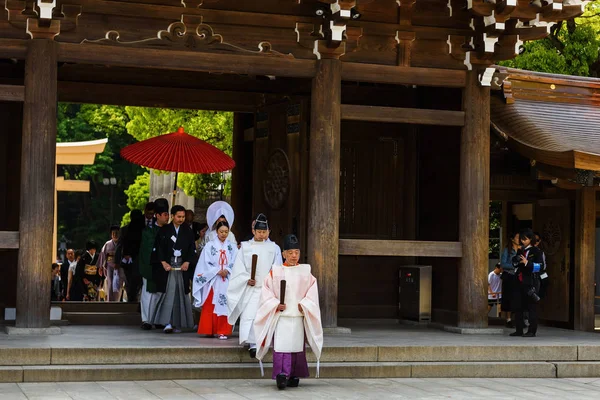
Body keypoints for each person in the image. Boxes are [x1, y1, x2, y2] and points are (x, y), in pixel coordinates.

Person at [254, 234, 323, 390]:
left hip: (298, 315)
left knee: (296, 346)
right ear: (284, 253)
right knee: (282, 345)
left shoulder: (306, 271)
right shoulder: (275, 271)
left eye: (296, 252)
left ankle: (294, 374)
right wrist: (275, 304)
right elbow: (266, 292)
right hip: (282, 316)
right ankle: (281, 375)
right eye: (290, 252)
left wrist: (305, 304)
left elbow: (312, 291)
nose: (293, 256)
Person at [227, 213, 283, 357]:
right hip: (251, 287)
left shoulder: (274, 248)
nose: (261, 235)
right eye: (259, 232)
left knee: (263, 315)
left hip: (266, 287)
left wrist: (270, 280)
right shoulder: (246, 247)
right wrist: (247, 278)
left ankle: (262, 341)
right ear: (253, 231)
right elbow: (238, 268)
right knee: (250, 315)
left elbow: (277, 267)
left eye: (264, 232)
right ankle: (252, 343)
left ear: (268, 231)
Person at [152, 205, 196, 333]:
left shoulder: (187, 230)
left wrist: (187, 261)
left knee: (181, 294)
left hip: (182, 267)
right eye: (179, 216)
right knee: (169, 293)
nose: (181, 219)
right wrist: (163, 262)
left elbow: (191, 248)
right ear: (172, 216)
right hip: (169, 266)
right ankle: (167, 322)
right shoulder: (164, 230)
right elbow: (158, 248)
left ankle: (179, 323)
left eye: (183, 217)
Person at [193, 220, 237, 339]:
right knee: (210, 304)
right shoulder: (210, 245)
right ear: (216, 231)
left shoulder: (232, 247)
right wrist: (217, 271)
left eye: (226, 232)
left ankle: (223, 330)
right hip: (213, 279)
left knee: (225, 303)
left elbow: (236, 261)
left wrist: (227, 269)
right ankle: (209, 329)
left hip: (226, 279)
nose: (223, 234)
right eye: (221, 231)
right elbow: (204, 262)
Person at [138, 198, 170, 330]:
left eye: (168, 214)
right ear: (157, 215)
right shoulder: (148, 232)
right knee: (149, 293)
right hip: (151, 266)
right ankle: (146, 320)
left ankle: (158, 319)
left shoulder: (170, 231)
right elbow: (145, 251)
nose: (167, 217)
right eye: (164, 214)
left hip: (166, 267)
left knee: (163, 293)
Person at [510, 229, 544, 338]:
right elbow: (515, 264)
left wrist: (527, 263)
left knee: (531, 307)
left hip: (530, 282)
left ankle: (531, 331)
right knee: (518, 306)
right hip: (519, 281)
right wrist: (516, 261)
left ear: (531, 239)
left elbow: (541, 266)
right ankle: (519, 329)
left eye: (525, 239)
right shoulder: (521, 251)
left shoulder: (537, 251)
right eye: (522, 239)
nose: (523, 241)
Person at [118, 210, 145, 303]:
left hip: (133, 259)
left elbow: (120, 245)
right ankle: (133, 298)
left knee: (132, 282)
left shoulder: (126, 229)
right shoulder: (144, 229)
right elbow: (121, 245)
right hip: (133, 260)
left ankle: (132, 298)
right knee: (134, 281)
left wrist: (119, 260)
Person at [98, 225, 124, 302]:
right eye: (113, 233)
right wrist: (101, 267)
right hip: (110, 267)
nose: (115, 235)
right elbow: (103, 255)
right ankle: (110, 302)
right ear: (111, 235)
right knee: (110, 285)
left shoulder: (123, 244)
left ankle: (117, 301)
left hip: (120, 267)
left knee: (118, 285)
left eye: (117, 233)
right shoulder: (107, 244)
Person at [500, 232, 520, 328]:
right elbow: (503, 264)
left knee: (517, 297)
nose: (519, 239)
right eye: (517, 237)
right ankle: (508, 319)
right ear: (512, 239)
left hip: (518, 276)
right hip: (509, 276)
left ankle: (518, 318)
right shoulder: (507, 250)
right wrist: (513, 266)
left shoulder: (521, 250)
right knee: (508, 297)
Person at [534, 232, 549, 299]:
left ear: (539, 241)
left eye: (537, 240)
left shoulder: (541, 252)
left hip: (539, 272)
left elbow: (543, 265)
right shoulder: (526, 250)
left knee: (545, 279)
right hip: (529, 274)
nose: (535, 242)